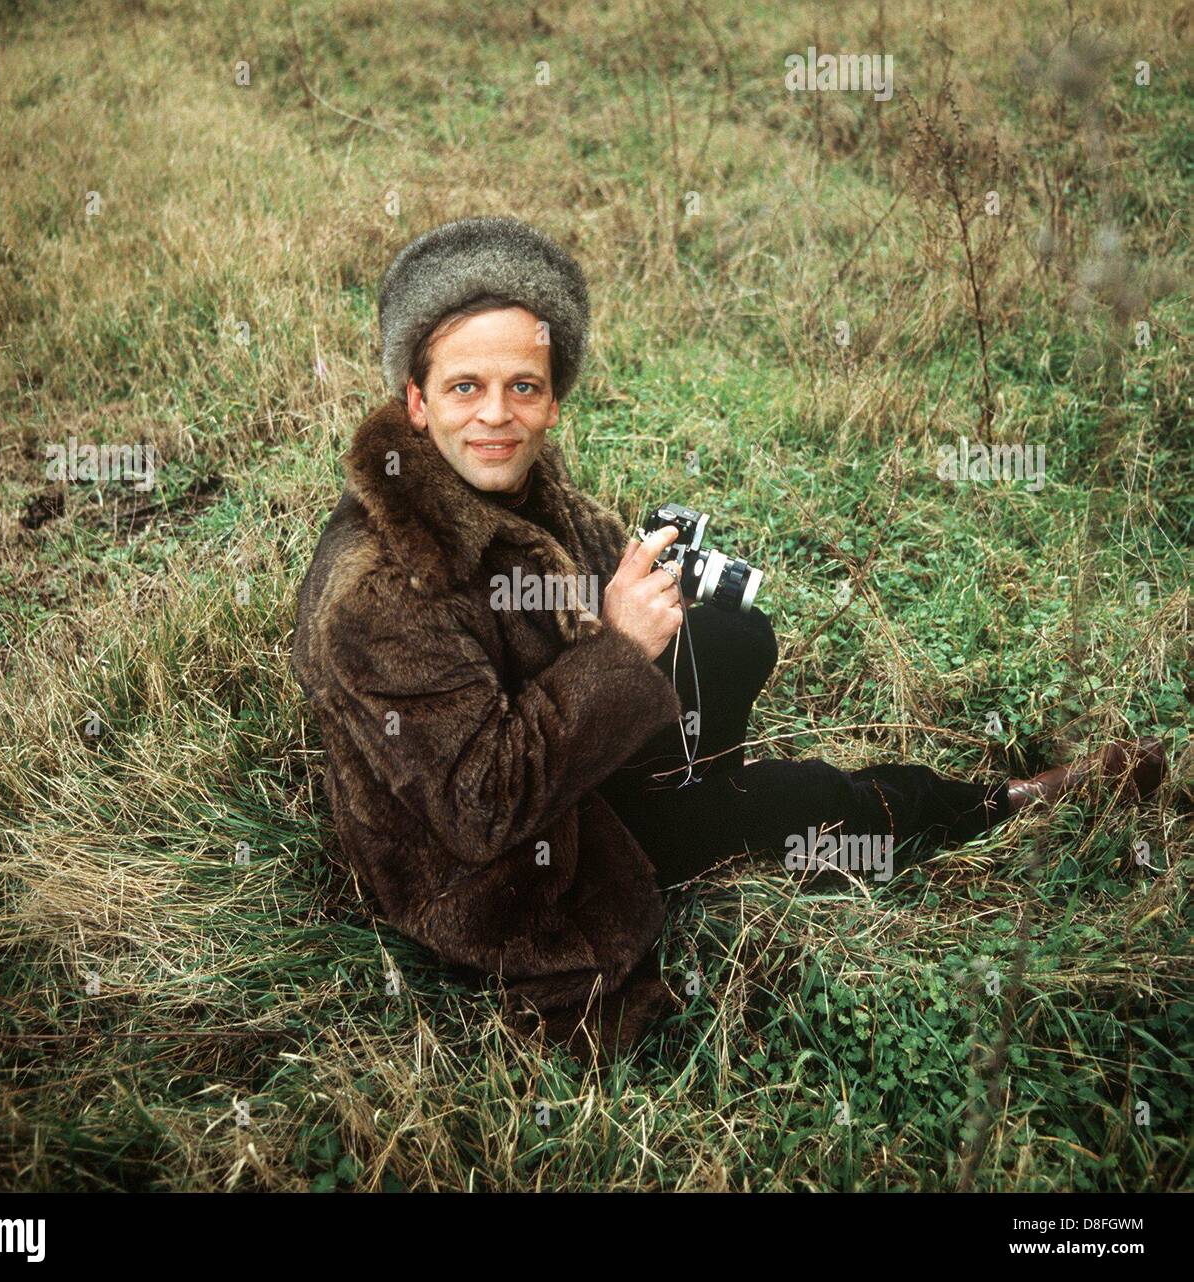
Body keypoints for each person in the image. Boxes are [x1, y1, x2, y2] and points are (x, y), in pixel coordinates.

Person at [291, 215, 1166, 1062]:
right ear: (415, 402)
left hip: (552, 731)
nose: (497, 417)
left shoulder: (510, 476)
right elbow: (481, 808)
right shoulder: (379, 591)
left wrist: (639, 585)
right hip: (494, 865)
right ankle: (998, 802)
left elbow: (581, 571)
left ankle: (691, 776)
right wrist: (620, 649)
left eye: (523, 387)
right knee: (798, 798)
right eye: (463, 389)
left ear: (555, 399)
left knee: (737, 637)